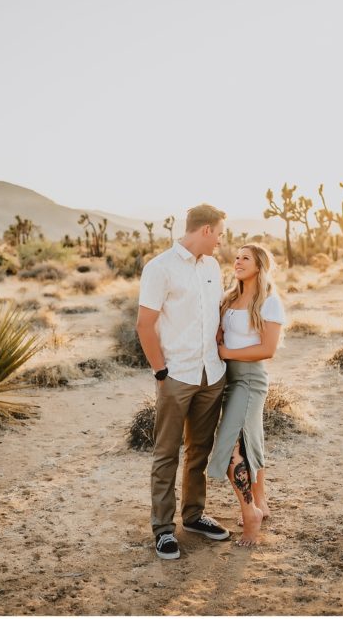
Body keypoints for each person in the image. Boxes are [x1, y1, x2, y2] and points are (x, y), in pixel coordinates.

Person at [137, 204, 231, 559]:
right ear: (205, 230)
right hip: (176, 374)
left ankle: (193, 516)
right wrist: (161, 372)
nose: (221, 241)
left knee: (199, 451)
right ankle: (163, 529)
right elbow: (145, 325)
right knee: (166, 454)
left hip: (212, 374)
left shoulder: (212, 266)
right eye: (219, 233)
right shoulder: (159, 269)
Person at [207, 244, 284, 546]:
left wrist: (226, 351)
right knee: (251, 439)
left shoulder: (269, 302)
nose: (238, 261)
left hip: (250, 380)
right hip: (226, 378)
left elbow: (268, 349)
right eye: (236, 257)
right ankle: (260, 501)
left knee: (230, 445)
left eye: (245, 258)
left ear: (259, 266)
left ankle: (249, 512)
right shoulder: (228, 298)